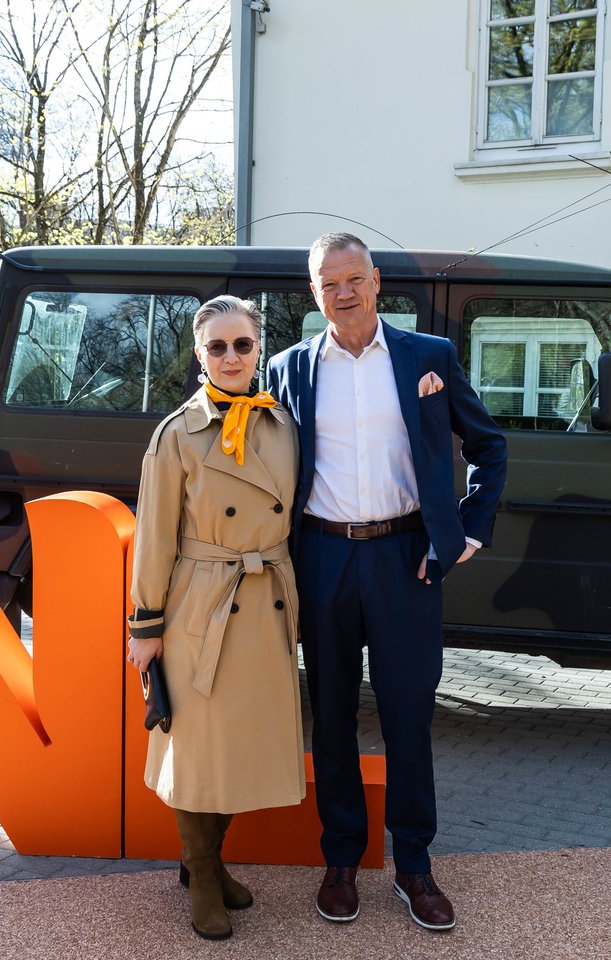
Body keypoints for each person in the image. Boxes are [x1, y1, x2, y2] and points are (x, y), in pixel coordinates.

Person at [265, 233, 507, 931]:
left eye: (353, 279)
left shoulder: (428, 356)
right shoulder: (287, 369)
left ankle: (415, 867)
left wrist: (467, 532)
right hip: (321, 557)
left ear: (376, 280)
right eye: (327, 283)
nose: (342, 293)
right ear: (314, 293)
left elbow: (489, 446)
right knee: (332, 716)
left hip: (406, 559)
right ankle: (341, 860)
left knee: (408, 715)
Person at [126, 295, 305, 941]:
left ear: (259, 349)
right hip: (201, 604)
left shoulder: (283, 424)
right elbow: (154, 537)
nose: (232, 357)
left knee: (240, 744)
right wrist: (145, 627)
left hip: (266, 599)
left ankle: (207, 859)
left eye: (243, 344)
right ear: (200, 355)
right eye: (218, 347)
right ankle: (200, 871)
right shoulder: (176, 433)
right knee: (201, 748)